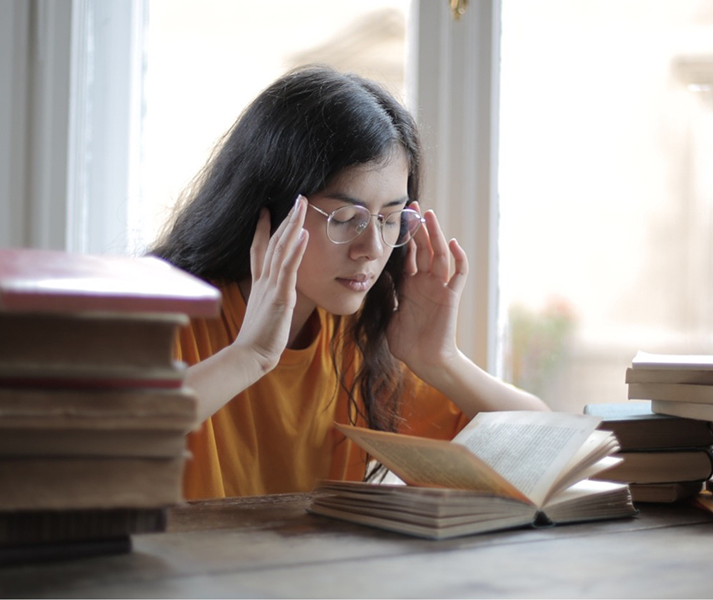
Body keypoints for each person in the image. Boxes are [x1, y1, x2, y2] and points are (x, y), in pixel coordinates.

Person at [150, 65, 548, 500]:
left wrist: (440, 359)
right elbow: (94, 441)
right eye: (345, 219)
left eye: (390, 219)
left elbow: (541, 448)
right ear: (268, 210)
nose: (372, 248)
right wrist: (251, 355)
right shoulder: (166, 317)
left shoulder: (353, 338)